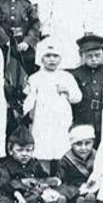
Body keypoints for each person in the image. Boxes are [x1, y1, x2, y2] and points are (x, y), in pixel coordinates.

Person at [23, 38, 83, 171]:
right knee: (43, 148)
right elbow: (27, 99)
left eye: (55, 56)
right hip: (42, 119)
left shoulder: (66, 77)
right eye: (48, 56)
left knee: (61, 146)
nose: (52, 59)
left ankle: (60, 177)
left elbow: (77, 98)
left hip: (61, 119)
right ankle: (45, 176)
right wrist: (29, 111)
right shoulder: (35, 78)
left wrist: (67, 91)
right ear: (41, 59)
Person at [1, 126, 65, 203]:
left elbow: (43, 177)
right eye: (20, 150)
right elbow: (7, 185)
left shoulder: (34, 164)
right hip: (20, 197)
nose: (24, 154)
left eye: (28, 150)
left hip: (36, 192)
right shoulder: (7, 166)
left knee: (53, 194)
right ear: (10, 150)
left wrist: (50, 182)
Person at [68, 33, 103, 141]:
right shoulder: (76, 75)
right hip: (84, 118)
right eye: (89, 56)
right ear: (82, 55)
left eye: (97, 55)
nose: (94, 59)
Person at [40, 0, 86, 69]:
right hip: (56, 30)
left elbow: (87, 11)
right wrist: (46, 31)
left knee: (75, 59)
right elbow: (44, 12)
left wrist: (87, 29)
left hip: (76, 29)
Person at [56, 124, 98, 203]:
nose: (83, 148)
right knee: (68, 195)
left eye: (87, 143)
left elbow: (101, 173)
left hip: (91, 187)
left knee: (95, 195)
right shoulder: (67, 159)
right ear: (72, 144)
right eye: (78, 144)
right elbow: (61, 178)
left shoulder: (97, 156)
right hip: (74, 188)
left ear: (93, 142)